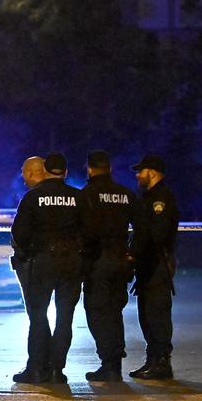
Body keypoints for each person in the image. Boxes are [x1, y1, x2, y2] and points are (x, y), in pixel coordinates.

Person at [10, 151, 84, 384]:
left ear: (44, 171)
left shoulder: (33, 198)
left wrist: (27, 253)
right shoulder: (78, 197)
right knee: (65, 318)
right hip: (72, 263)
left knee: (38, 316)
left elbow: (19, 234)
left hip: (42, 263)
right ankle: (56, 369)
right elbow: (89, 231)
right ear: (66, 171)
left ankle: (36, 369)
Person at [79, 150, 136, 382]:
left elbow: (83, 231)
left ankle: (109, 363)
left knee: (97, 311)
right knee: (114, 310)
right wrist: (132, 254)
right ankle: (115, 362)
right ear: (109, 168)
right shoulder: (125, 194)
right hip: (120, 260)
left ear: (89, 168)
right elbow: (143, 225)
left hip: (97, 262)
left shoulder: (87, 195)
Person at [129, 154, 179, 380]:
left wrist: (137, 254)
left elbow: (156, 236)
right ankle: (153, 359)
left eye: (141, 170)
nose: (138, 175)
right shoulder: (148, 197)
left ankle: (161, 362)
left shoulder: (161, 199)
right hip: (147, 264)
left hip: (156, 264)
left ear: (152, 172)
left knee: (157, 314)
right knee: (147, 314)